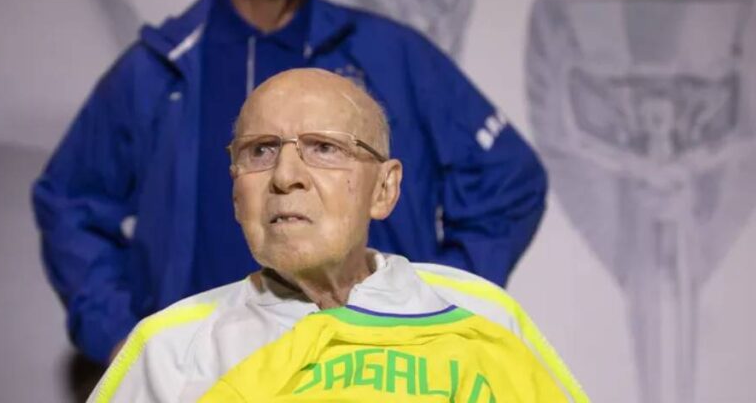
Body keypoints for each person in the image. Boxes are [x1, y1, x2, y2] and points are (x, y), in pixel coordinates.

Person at [32, 0, 548, 365]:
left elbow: (509, 182)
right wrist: (121, 338)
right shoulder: (160, 69)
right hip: (206, 378)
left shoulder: (391, 55)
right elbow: (70, 201)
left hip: (365, 375)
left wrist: (435, 303)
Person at [86, 69, 585, 403]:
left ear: (384, 188)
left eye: (323, 148)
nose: (285, 176)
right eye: (259, 152)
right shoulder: (170, 350)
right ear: (237, 193)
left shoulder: (484, 317)